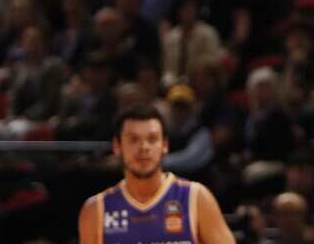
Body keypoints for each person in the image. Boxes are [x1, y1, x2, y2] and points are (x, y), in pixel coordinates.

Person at [78, 105, 235, 244]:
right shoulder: (96, 209)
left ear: (165, 145)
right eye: (134, 139)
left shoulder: (196, 198)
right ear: (117, 146)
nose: (144, 147)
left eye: (152, 139)